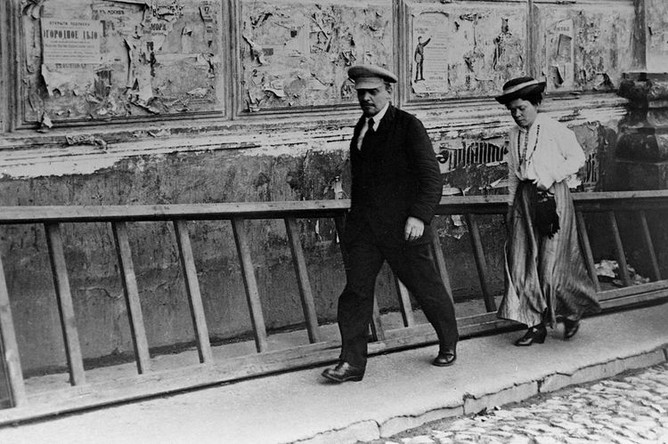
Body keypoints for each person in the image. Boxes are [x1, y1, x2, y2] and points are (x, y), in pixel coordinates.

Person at [321, 65, 459, 383]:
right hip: (365, 231)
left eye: (373, 92)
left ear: (388, 92)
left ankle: (448, 341)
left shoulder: (408, 126)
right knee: (355, 293)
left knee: (426, 287)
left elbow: (431, 179)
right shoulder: (362, 127)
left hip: (403, 230)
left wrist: (419, 216)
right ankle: (351, 363)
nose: (366, 98)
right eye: (361, 93)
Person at [494, 76, 600, 346]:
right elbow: (513, 173)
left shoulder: (554, 129)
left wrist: (552, 175)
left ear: (536, 104)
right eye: (513, 110)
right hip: (524, 201)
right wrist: (511, 206)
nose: (517, 115)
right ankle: (535, 325)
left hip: (552, 199)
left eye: (522, 108)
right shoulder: (514, 135)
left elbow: (578, 158)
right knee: (520, 263)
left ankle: (572, 312)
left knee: (551, 267)